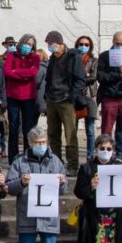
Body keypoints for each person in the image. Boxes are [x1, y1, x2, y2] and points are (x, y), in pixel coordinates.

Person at [6, 126, 68, 243]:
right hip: (27, 217)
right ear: (30, 143)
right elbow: (9, 187)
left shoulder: (56, 161)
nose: (41, 145)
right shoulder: (19, 161)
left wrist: (63, 182)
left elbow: (63, 191)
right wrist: (21, 182)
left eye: (43, 142)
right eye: (37, 143)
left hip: (48, 218)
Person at [43, 31, 85, 175]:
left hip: (66, 100)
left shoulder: (73, 57)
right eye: (48, 44)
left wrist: (71, 95)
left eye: (52, 44)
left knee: (70, 135)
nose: (50, 47)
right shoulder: (52, 59)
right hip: (52, 99)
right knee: (53, 134)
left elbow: (80, 79)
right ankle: (56, 163)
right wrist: (46, 95)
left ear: (60, 44)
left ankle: (72, 165)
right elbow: (48, 79)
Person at [3, 34, 41, 162]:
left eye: (30, 44)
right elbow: (7, 72)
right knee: (13, 127)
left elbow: (33, 72)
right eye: (26, 43)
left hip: (29, 96)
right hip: (13, 95)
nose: (27, 46)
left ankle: (28, 156)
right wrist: (24, 76)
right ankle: (13, 158)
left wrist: (16, 72)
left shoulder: (35, 57)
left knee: (28, 128)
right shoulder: (11, 55)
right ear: (21, 43)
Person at [76, 35, 99, 160]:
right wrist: (85, 75)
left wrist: (80, 78)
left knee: (90, 130)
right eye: (81, 44)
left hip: (89, 96)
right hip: (75, 96)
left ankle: (90, 156)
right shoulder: (72, 58)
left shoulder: (94, 60)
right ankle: (73, 156)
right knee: (72, 129)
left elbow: (93, 76)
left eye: (86, 44)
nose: (83, 46)